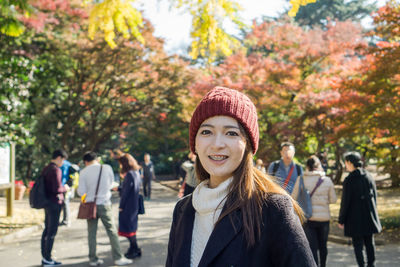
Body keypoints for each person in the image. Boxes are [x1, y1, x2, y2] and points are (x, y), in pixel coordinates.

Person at [166, 86, 315, 267]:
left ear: (248, 147)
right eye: (206, 132)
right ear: (195, 144)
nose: (217, 144)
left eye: (231, 133)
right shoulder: (183, 209)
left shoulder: (272, 209)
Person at [78, 151, 132, 266]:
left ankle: (93, 259)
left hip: (90, 205)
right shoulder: (106, 168)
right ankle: (118, 258)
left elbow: (81, 192)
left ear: (85, 162)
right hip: (104, 204)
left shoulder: (83, 172)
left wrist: (87, 197)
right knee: (112, 231)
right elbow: (111, 184)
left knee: (91, 233)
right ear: (97, 159)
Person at [338, 152, 381, 267]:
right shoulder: (369, 176)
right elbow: (375, 197)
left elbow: (345, 202)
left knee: (357, 245)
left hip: (354, 218)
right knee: (369, 242)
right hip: (369, 215)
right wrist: (373, 210)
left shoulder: (349, 180)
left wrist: (341, 219)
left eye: (346, 162)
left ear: (350, 163)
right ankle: (371, 264)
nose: (345, 165)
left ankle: (361, 265)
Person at [303, 155, 337, 267]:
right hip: (324, 219)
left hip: (309, 218)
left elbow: (294, 197)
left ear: (307, 166)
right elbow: (333, 199)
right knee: (323, 246)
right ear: (319, 166)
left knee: (312, 247)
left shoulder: (301, 179)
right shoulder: (327, 180)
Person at [41, 149, 68, 267]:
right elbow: (57, 189)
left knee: (47, 230)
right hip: (54, 203)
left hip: (47, 203)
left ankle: (45, 256)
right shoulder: (56, 170)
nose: (62, 163)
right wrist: (65, 188)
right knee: (52, 231)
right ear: (59, 158)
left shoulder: (46, 168)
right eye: (63, 160)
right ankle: (47, 258)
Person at [118, 154, 142, 259]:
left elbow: (126, 192)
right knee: (131, 228)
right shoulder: (136, 173)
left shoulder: (129, 175)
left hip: (128, 205)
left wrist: (121, 206)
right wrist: (119, 188)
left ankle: (135, 249)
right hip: (134, 205)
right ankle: (134, 249)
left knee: (128, 229)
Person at [59, 160, 72, 227]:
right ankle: (65, 220)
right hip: (66, 186)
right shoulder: (68, 163)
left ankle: (65, 220)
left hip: (63, 186)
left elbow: (63, 176)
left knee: (65, 203)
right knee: (64, 203)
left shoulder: (64, 164)